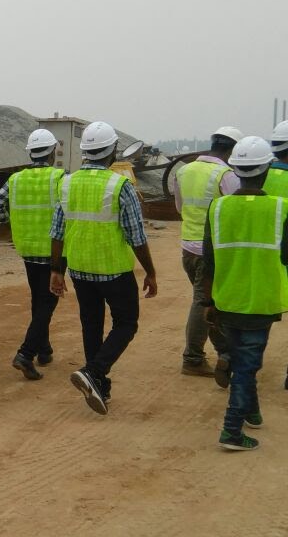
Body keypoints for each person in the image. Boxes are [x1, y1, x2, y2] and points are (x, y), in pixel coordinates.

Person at [50, 121, 157, 415]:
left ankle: (100, 385)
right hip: (114, 271)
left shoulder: (67, 183)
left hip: (80, 269)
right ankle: (94, 371)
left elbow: (57, 231)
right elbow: (136, 236)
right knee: (126, 323)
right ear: (113, 151)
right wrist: (150, 271)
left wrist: (56, 270)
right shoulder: (119, 185)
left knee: (92, 325)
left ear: (85, 152)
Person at [200, 136, 288, 451]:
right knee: (248, 365)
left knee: (241, 358)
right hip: (262, 300)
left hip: (227, 298)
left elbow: (208, 260)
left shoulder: (218, 208)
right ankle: (232, 431)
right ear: (265, 170)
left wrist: (207, 302)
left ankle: (251, 411)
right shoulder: (281, 209)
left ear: (236, 171)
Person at [0, 129, 64, 380]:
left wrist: (11, 223)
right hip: (54, 251)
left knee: (38, 300)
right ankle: (26, 353)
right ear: (52, 152)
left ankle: (44, 350)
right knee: (48, 303)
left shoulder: (15, 180)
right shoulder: (60, 177)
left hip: (28, 248)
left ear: (30, 153)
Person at [172, 126, 241, 377]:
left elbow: (179, 208)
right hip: (211, 251)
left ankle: (225, 352)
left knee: (210, 301)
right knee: (204, 302)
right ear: (232, 151)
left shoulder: (184, 171)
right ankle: (193, 358)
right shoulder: (226, 175)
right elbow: (236, 213)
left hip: (188, 248)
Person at [262, 121, 288, 390]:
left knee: (258, 317)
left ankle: (237, 359)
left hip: (261, 255)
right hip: (285, 257)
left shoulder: (260, 175)